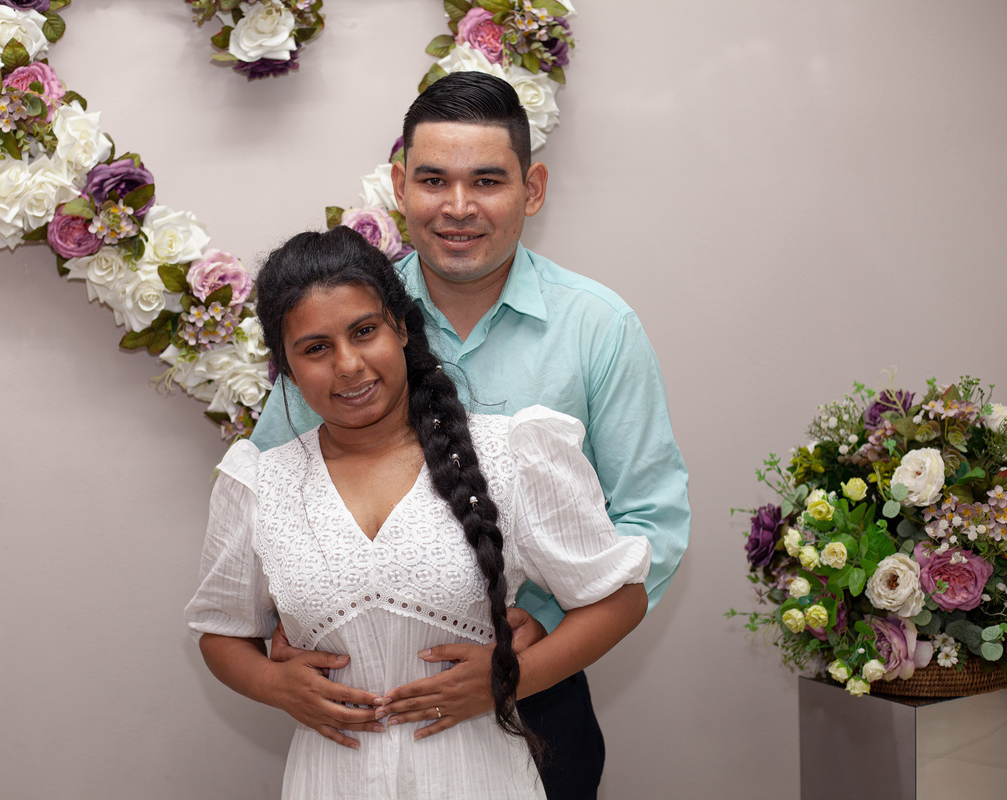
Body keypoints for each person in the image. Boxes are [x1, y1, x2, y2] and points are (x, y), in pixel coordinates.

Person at [250, 71, 691, 798]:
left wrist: (537, 634)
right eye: (433, 180)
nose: (458, 207)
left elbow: (651, 520)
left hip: (539, 694)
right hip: (366, 711)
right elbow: (271, 488)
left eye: (487, 180)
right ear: (400, 187)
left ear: (532, 189)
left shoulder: (597, 328)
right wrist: (278, 628)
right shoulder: (346, 322)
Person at [185, 227, 650, 799]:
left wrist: (507, 679)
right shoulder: (259, 483)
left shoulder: (511, 455)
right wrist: (272, 684)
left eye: (364, 331)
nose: (348, 365)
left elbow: (619, 599)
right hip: (331, 780)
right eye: (316, 348)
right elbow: (222, 632)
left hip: (477, 778)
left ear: (402, 327)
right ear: (286, 365)